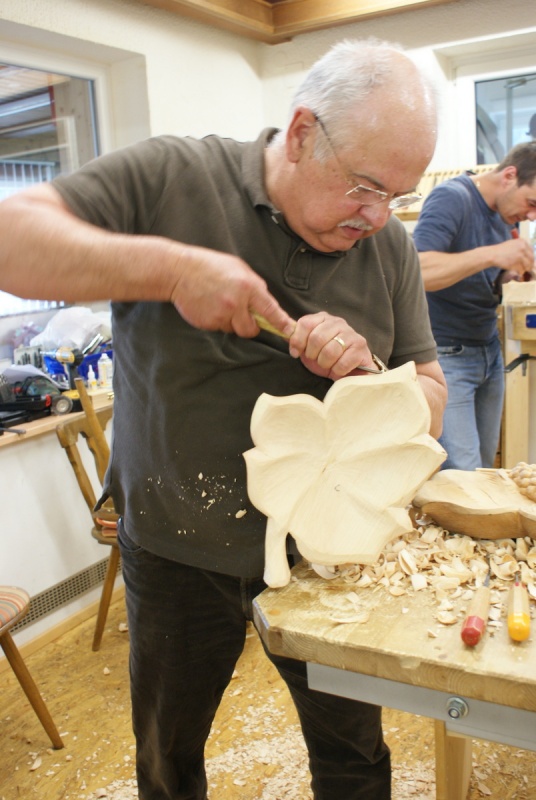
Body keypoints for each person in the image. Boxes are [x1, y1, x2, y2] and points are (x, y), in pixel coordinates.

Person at [0, 39, 447, 800]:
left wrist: (373, 376)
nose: (378, 216)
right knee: (169, 756)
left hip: (329, 556)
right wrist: (170, 270)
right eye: (366, 187)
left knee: (353, 754)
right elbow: (12, 241)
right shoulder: (175, 177)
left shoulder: (389, 249)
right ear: (302, 134)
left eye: (397, 196)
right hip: (176, 544)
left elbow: (430, 398)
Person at [413, 143, 536, 471]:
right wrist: (494, 254)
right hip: (448, 356)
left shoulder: (504, 215)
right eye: (531, 203)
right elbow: (419, 270)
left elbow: (475, 274)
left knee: (483, 470)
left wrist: (507, 275)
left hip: (488, 353)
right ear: (509, 176)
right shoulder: (453, 198)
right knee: (462, 477)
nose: (531, 215)